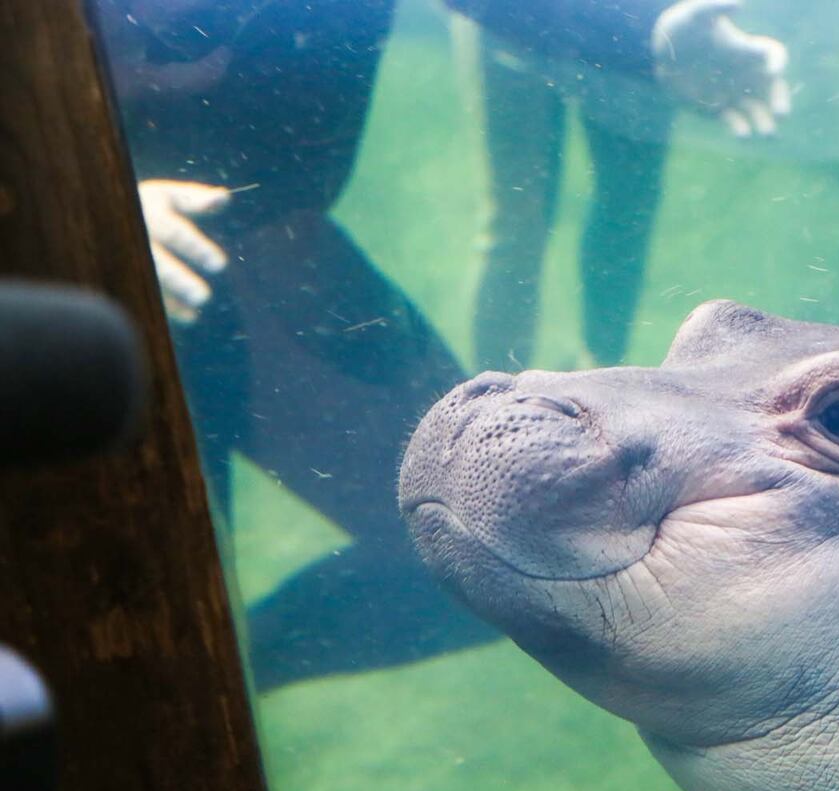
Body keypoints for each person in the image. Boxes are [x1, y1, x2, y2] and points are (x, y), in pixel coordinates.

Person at [93, 0, 790, 691]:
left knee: (480, 550)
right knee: (131, 610)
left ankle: (231, 673)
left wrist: (648, 36)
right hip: (92, 298)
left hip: (283, 260)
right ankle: (184, 679)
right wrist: (92, 203)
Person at [466, 0, 788, 370]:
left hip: (633, 31)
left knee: (620, 213)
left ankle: (595, 387)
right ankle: (487, 395)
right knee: (520, 219)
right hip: (518, 18)